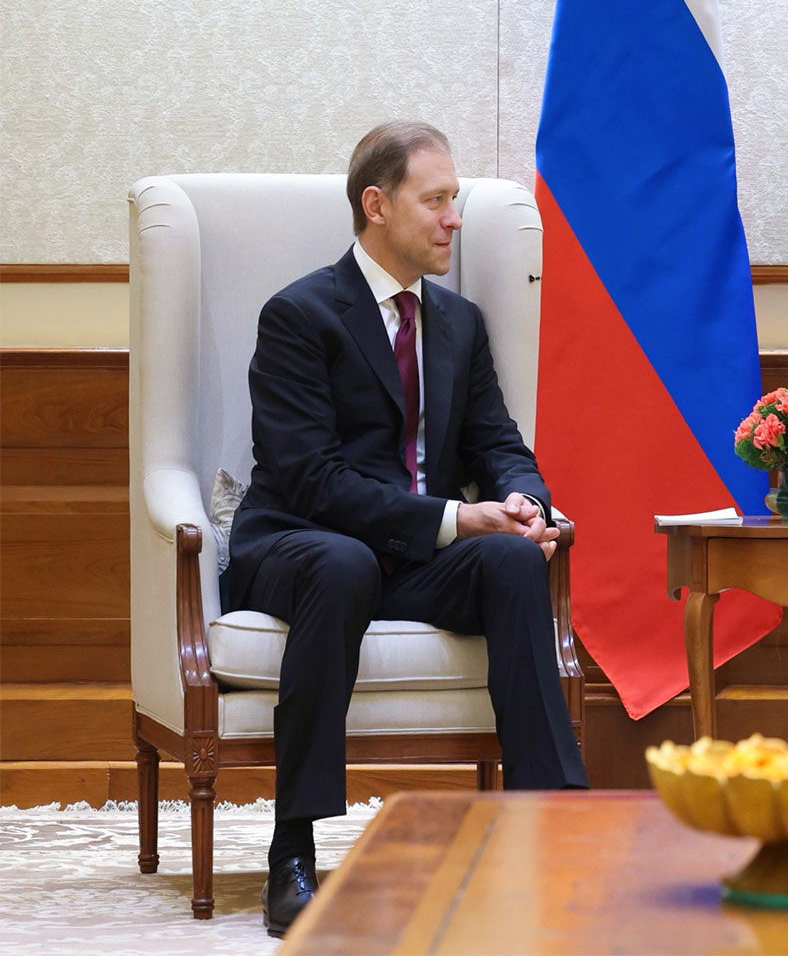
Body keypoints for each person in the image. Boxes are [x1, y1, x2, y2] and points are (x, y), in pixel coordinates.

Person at [224, 122, 587, 937]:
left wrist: (529, 504)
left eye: (455, 200)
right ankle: (294, 849)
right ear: (377, 205)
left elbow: (497, 443)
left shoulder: (458, 323)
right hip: (300, 542)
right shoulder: (299, 315)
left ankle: (555, 822)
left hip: (411, 553)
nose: (453, 218)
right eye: (437, 200)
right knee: (345, 563)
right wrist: (456, 517)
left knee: (512, 563)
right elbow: (311, 479)